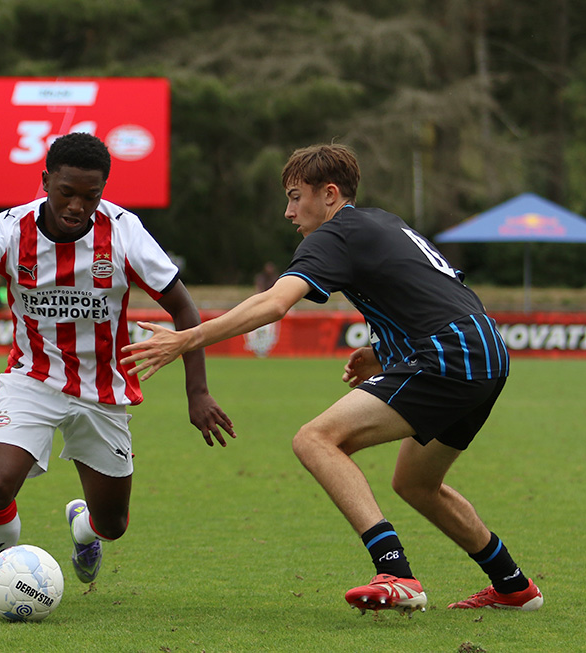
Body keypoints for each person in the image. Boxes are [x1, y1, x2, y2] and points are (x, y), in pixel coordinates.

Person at [122, 143, 543, 615]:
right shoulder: (383, 222)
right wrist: (382, 353)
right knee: (415, 483)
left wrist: (188, 338)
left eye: (294, 197)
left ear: (329, 194)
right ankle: (513, 585)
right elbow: (441, 294)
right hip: (485, 351)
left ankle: (397, 574)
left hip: (449, 356)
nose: (289, 212)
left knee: (315, 439)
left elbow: (274, 303)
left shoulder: (335, 233)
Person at [0, 133, 234, 612]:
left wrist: (198, 392)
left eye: (91, 196)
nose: (77, 206)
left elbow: (184, 308)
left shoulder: (124, 232)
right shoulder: (8, 230)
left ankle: (83, 528)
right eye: (66, 192)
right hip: (32, 378)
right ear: (45, 180)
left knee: (113, 524)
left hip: (103, 390)